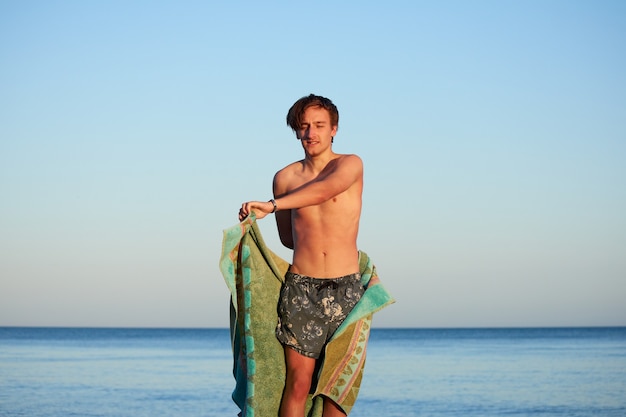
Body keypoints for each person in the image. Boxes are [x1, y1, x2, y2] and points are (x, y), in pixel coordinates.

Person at [238, 94, 364, 417]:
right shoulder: (285, 179)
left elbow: (326, 189)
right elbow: (286, 238)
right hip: (302, 289)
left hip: (346, 288)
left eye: (320, 126)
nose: (311, 133)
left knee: (337, 391)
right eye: (304, 127)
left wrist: (273, 204)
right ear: (296, 131)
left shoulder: (350, 164)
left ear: (334, 129)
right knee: (298, 383)